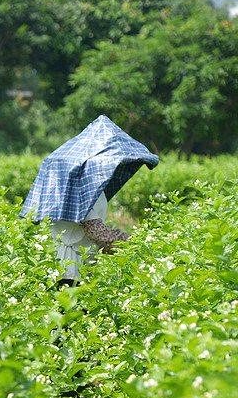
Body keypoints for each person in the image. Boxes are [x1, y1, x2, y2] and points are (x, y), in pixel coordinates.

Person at [21, 115, 158, 288]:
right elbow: (97, 232)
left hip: (63, 265)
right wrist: (139, 244)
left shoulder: (75, 184)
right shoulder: (86, 186)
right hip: (73, 269)